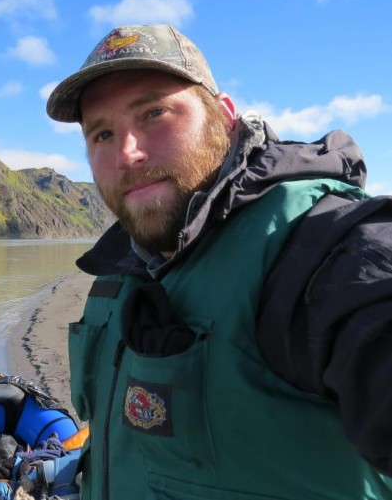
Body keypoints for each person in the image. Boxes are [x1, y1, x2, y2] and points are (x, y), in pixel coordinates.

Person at [46, 25, 392, 499]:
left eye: (154, 113)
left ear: (226, 117)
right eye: (102, 133)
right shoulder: (119, 267)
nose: (127, 153)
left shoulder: (322, 248)